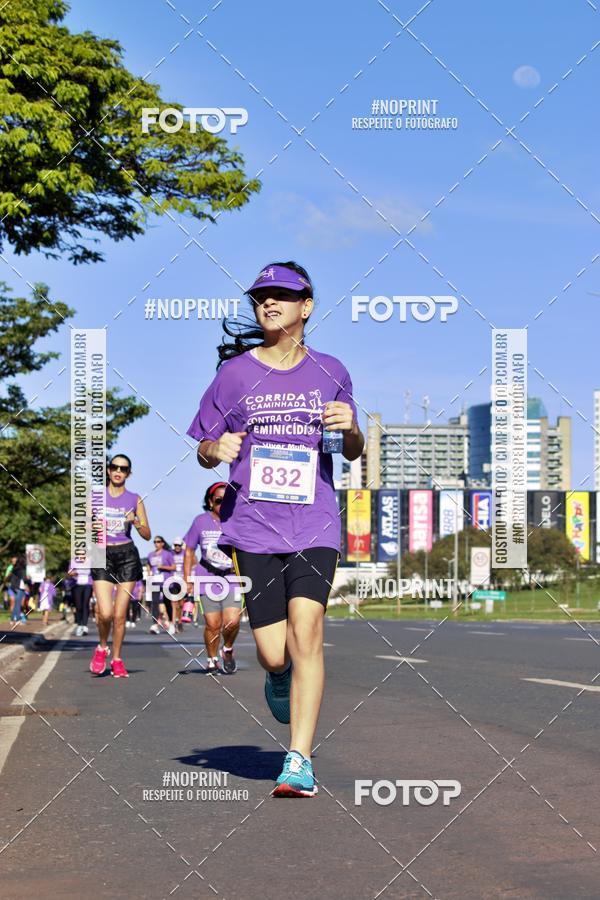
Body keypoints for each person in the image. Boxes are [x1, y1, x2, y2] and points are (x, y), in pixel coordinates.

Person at [187, 261, 364, 797]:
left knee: (307, 630)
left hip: (314, 523)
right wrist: (215, 447)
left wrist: (351, 430)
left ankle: (299, 758)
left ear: (306, 306)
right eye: (261, 295)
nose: (269, 302)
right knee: (272, 651)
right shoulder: (234, 374)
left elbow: (352, 450)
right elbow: (203, 447)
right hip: (254, 527)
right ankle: (277, 674)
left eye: (282, 295)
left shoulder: (331, 370)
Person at [90, 453, 151, 677]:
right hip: (101, 554)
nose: (118, 471)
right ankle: (102, 647)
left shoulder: (135, 499)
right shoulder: (95, 497)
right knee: (105, 613)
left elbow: (147, 534)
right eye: (115, 467)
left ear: (128, 473)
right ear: (108, 470)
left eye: (123, 469)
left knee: (119, 614)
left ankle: (116, 658)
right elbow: (82, 529)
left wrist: (135, 521)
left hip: (127, 555)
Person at [183, 482, 242, 674]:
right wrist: (187, 580)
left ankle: (228, 649)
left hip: (232, 577)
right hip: (207, 577)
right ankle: (212, 658)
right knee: (212, 624)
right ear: (210, 502)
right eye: (218, 500)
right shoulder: (200, 521)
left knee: (232, 621)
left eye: (227, 500)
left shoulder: (239, 520)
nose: (223, 504)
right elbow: (189, 550)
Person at [147, 536, 176, 635]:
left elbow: (174, 567)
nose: (156, 543)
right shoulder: (150, 554)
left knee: (167, 603)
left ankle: (171, 623)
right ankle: (155, 625)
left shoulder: (167, 554)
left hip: (166, 581)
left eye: (158, 541)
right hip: (155, 581)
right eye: (155, 542)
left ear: (163, 543)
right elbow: (148, 565)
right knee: (154, 603)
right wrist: (149, 574)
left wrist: (163, 567)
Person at [68, 558, 94, 637]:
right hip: (77, 585)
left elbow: (94, 573)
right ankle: (79, 625)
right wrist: (75, 573)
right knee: (78, 605)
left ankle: (85, 625)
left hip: (88, 585)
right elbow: (69, 572)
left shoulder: (90, 561)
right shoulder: (73, 561)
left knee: (85, 604)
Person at [166, 537, 186, 632]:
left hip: (182, 581)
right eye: (176, 545)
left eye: (179, 545)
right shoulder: (170, 554)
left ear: (182, 545)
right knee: (174, 603)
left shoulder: (185, 554)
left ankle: (179, 621)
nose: (177, 547)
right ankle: (173, 624)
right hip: (173, 581)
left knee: (181, 604)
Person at [8, 555, 27, 623]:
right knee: (18, 604)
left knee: (16, 604)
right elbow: (24, 579)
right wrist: (29, 580)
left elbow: (11, 578)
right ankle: (18, 619)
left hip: (14, 587)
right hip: (19, 587)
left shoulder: (14, 568)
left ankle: (12, 619)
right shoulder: (22, 569)